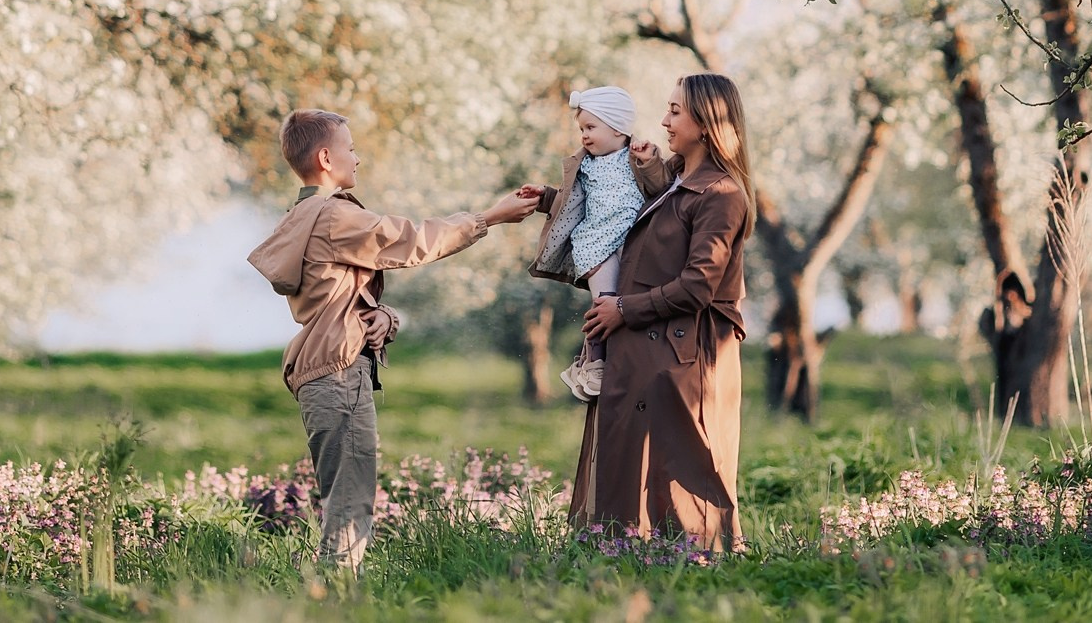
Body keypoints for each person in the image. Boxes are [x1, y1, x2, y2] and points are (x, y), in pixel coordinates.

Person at [247, 108, 540, 570]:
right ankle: (336, 601)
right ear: (326, 157)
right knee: (350, 502)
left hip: (326, 368)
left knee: (347, 496)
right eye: (350, 148)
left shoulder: (304, 215)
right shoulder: (333, 216)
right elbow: (412, 239)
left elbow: (337, 299)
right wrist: (490, 217)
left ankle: (336, 596)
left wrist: (384, 316)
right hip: (339, 376)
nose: (357, 158)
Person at [571, 73, 757, 551]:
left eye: (675, 111)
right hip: (643, 352)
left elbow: (699, 285)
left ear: (707, 120)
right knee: (626, 473)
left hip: (684, 357)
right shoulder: (667, 181)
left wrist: (624, 310)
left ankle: (690, 572)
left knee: (682, 479)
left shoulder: (721, 194)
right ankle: (617, 563)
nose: (664, 119)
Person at [523, 86, 671, 400]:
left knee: (626, 303)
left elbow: (662, 188)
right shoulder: (585, 167)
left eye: (591, 128)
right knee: (604, 305)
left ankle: (591, 363)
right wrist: (543, 197)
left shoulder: (637, 157)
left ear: (618, 127)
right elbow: (568, 203)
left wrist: (648, 161)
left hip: (629, 244)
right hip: (596, 248)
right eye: (581, 130)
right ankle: (595, 364)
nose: (584, 137)